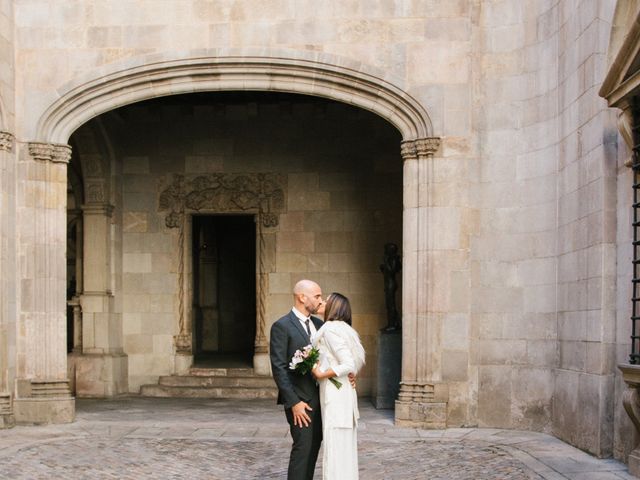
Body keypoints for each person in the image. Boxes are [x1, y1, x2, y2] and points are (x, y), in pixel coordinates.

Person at [270, 279, 325, 480]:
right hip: (300, 402)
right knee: (302, 449)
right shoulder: (281, 326)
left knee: (314, 447)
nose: (321, 300)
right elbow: (279, 367)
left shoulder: (320, 324)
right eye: (317, 296)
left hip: (321, 398)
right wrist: (294, 402)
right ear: (302, 297)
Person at [311, 293, 365, 480]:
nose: (322, 302)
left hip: (335, 394)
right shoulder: (343, 329)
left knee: (335, 445)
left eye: (326, 300)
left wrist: (320, 374)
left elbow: (349, 364)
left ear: (333, 307)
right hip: (342, 391)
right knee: (343, 446)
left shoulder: (330, 329)